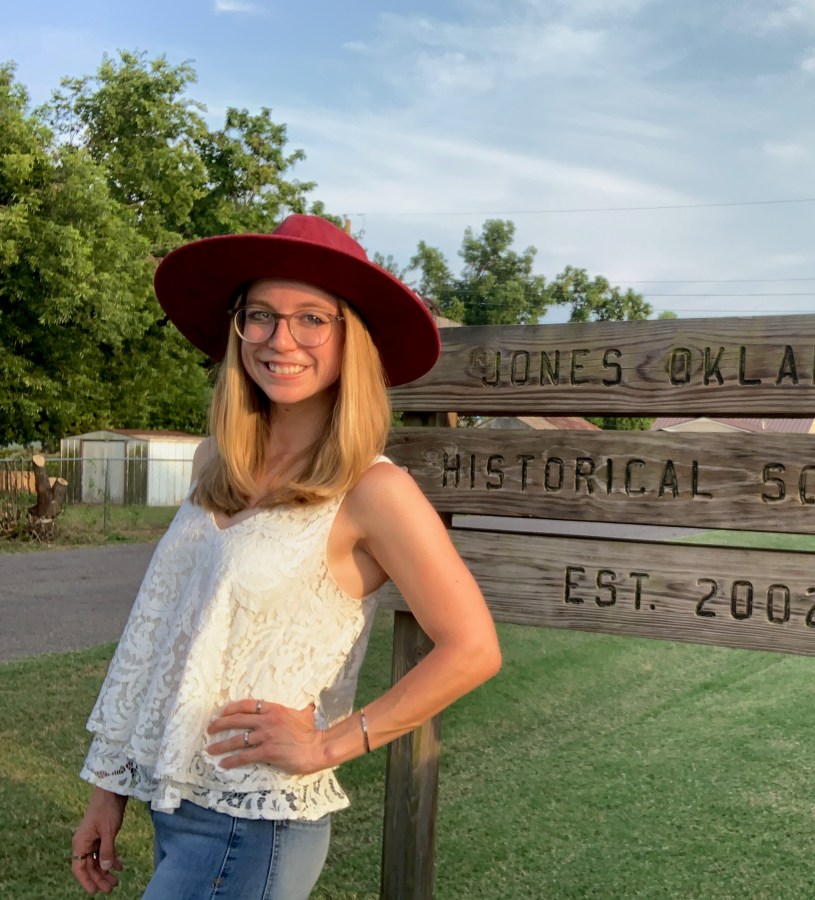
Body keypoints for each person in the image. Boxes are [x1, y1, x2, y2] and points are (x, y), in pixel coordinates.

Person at [69, 214, 501, 898]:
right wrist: (108, 789)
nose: (280, 339)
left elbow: (473, 648)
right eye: (261, 315)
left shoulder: (373, 490)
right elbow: (158, 637)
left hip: (254, 823)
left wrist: (330, 743)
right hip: (175, 804)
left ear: (351, 339)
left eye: (312, 319)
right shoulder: (216, 461)